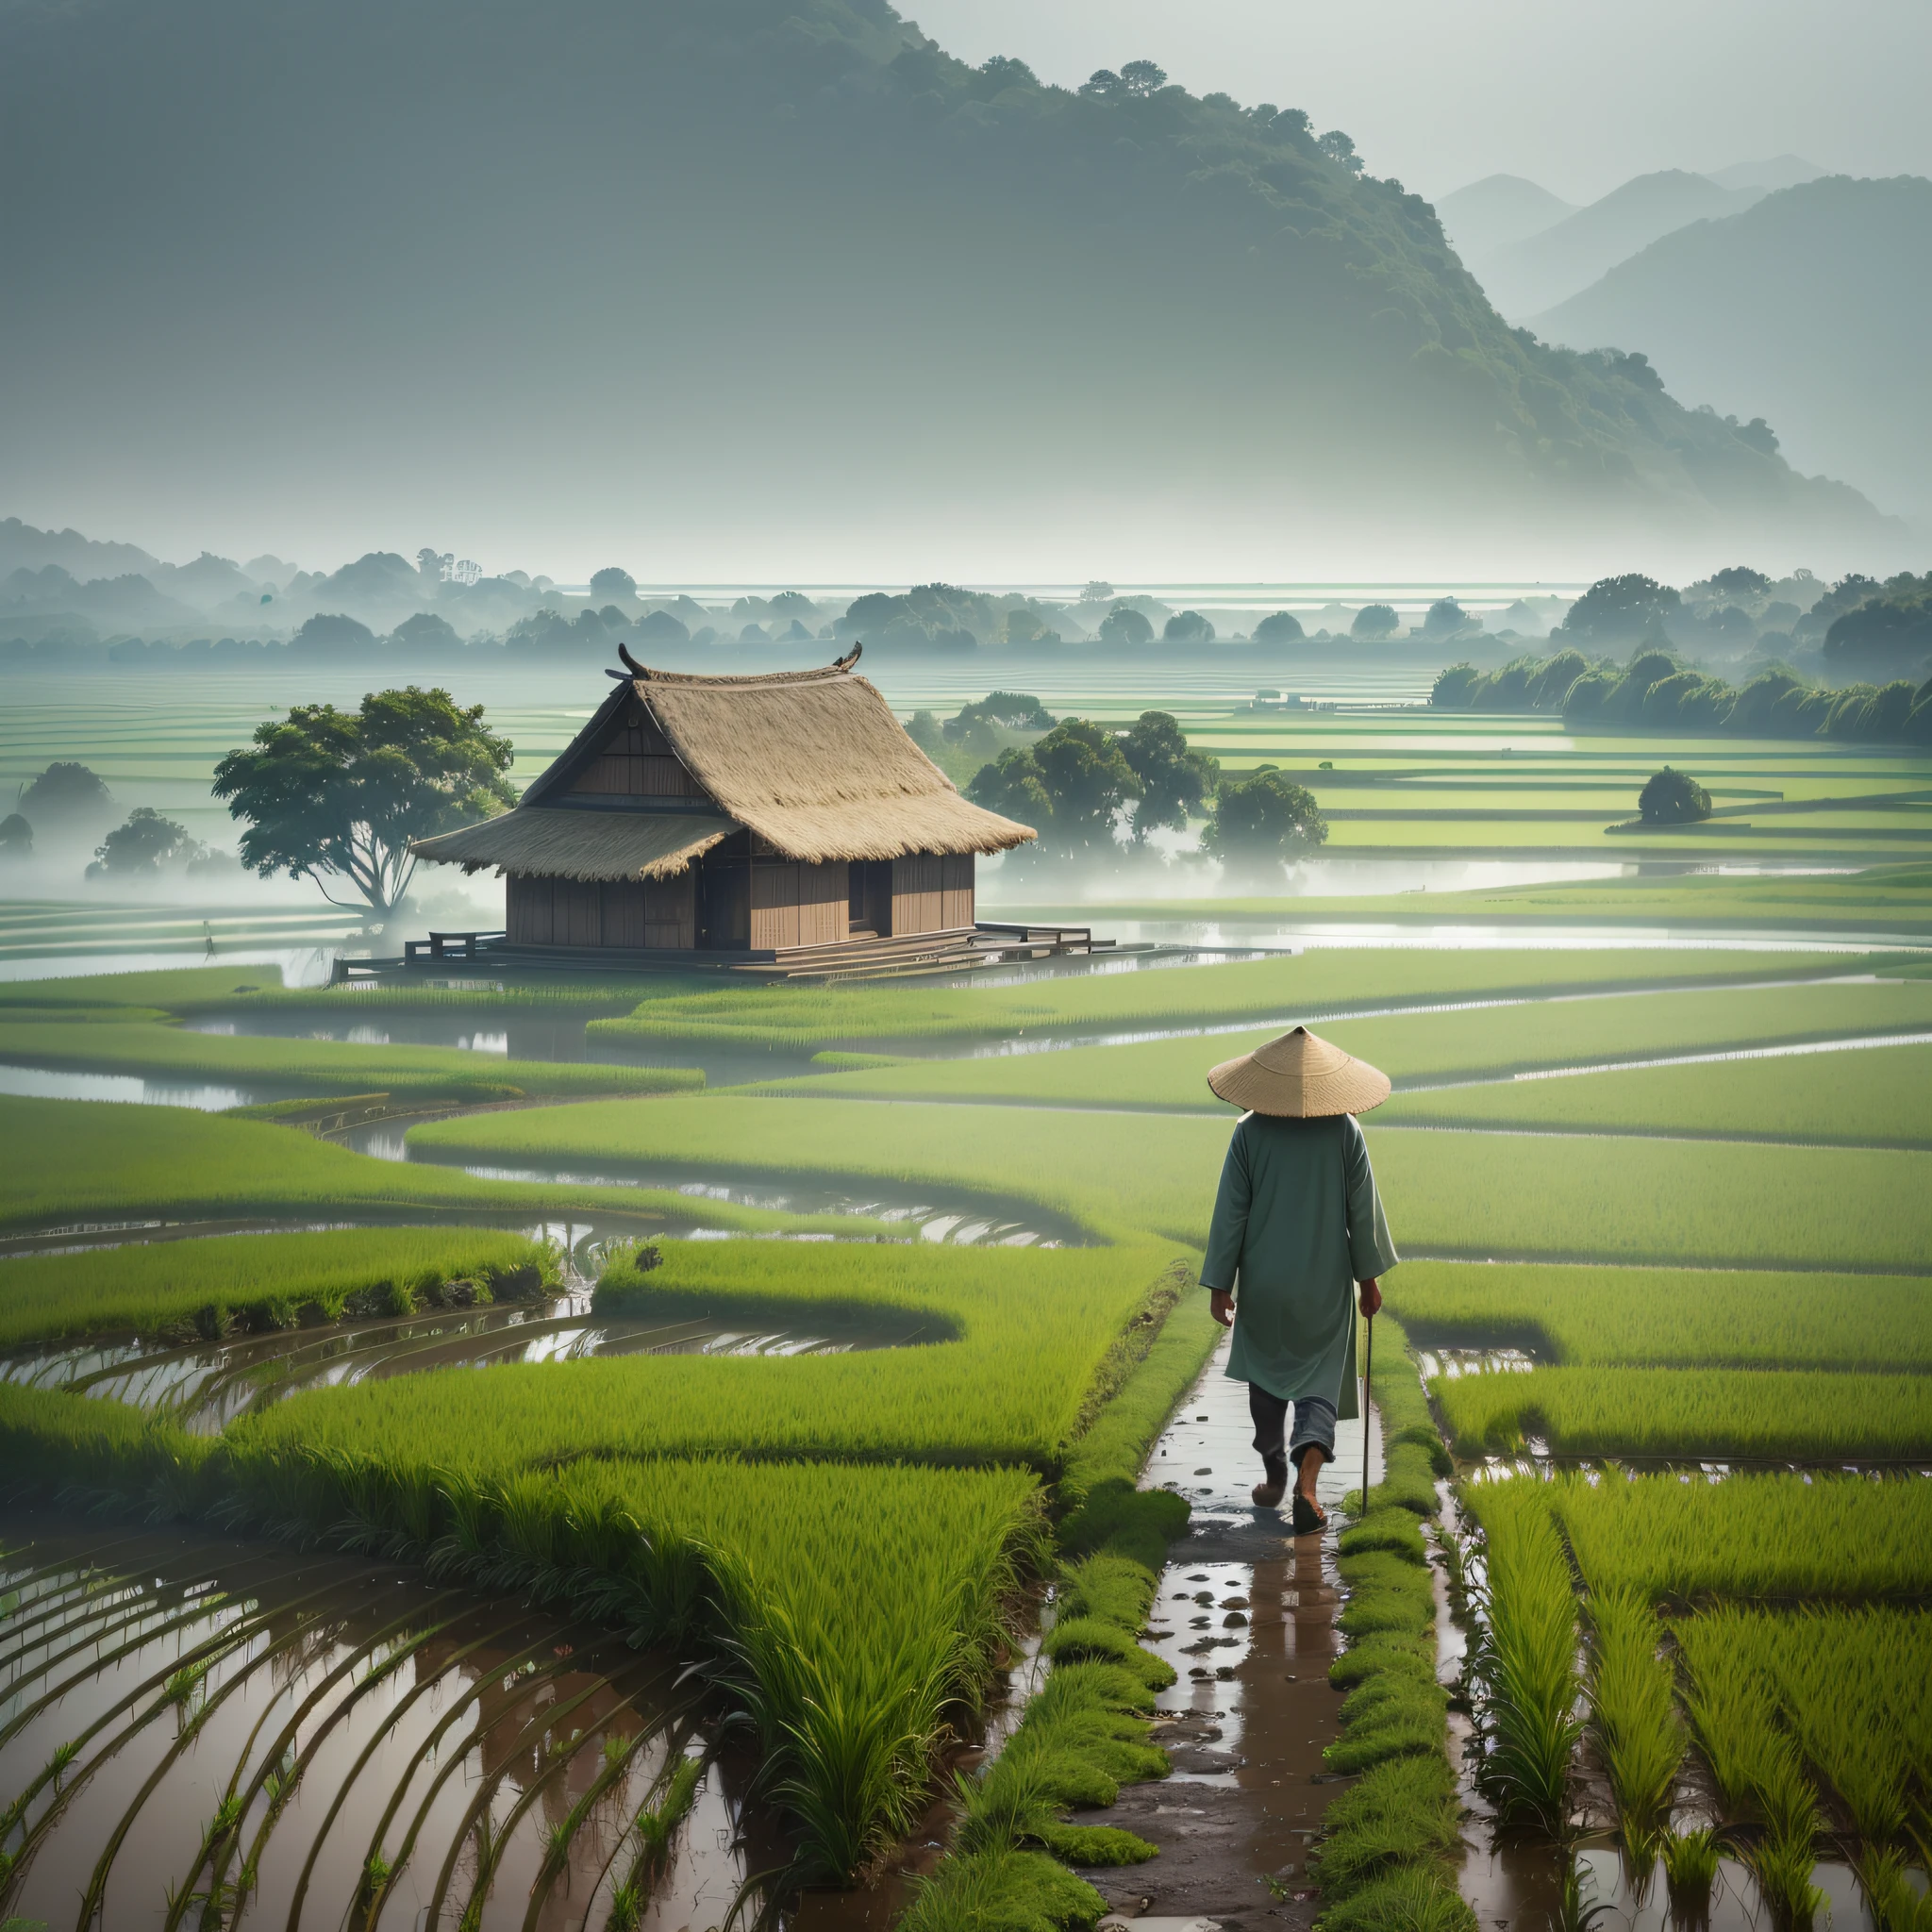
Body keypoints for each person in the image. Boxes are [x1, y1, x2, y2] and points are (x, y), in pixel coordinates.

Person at [1199, 1024, 1398, 1536]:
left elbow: (1230, 1215)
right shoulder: (1345, 1131)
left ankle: (1274, 1471)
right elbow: (1363, 1213)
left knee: (1265, 1378)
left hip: (1265, 1285)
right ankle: (1308, 1487)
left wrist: (1221, 1284)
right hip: (1324, 1288)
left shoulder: (1248, 1132)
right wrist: (1368, 1280)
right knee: (1319, 1386)